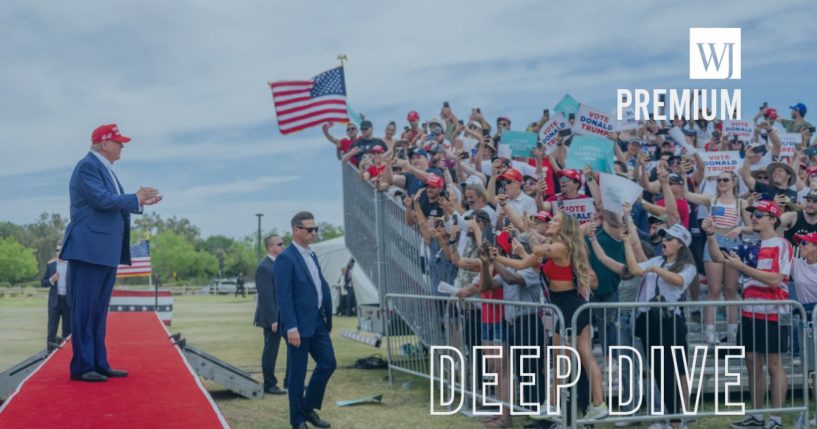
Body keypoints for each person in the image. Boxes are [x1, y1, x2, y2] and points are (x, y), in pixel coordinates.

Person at [60, 123, 162, 382]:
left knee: (98, 310)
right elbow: (102, 200)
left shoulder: (103, 169)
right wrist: (135, 198)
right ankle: (83, 367)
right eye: (118, 142)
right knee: (85, 311)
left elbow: (110, 202)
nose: (122, 146)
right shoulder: (87, 167)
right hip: (88, 249)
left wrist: (138, 201)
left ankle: (98, 362)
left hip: (102, 250)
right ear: (104, 144)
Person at [491, 213, 607, 423]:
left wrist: (529, 232)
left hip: (571, 306)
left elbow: (535, 249)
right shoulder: (555, 245)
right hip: (565, 306)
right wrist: (495, 257)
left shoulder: (561, 247)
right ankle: (593, 404)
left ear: (564, 228)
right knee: (573, 357)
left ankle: (563, 404)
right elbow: (521, 264)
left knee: (569, 359)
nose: (550, 223)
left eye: (555, 221)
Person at [704, 201, 791, 429]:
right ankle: (757, 415)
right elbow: (718, 258)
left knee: (774, 363)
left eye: (760, 214)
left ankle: (776, 418)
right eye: (752, 214)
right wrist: (711, 236)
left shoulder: (782, 244)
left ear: (773, 219)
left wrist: (742, 268)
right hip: (749, 311)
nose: (753, 217)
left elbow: (775, 279)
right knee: (752, 363)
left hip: (773, 310)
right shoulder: (749, 245)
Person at [623, 224, 695, 429]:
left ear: (681, 244)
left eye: (669, 239)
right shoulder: (657, 260)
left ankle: (677, 421)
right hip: (649, 320)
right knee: (658, 372)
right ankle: (669, 419)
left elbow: (679, 280)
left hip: (670, 321)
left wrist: (656, 269)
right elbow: (636, 269)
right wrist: (627, 243)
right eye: (664, 238)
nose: (664, 241)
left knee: (671, 370)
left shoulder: (688, 266)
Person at [274, 211, 336, 429]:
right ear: (296, 230)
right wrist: (291, 327)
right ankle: (297, 420)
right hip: (297, 326)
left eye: (315, 229)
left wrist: (327, 318)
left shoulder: (312, 255)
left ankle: (307, 408)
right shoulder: (285, 258)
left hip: (317, 322)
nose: (314, 233)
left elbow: (319, 285)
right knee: (297, 376)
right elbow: (284, 296)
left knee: (328, 363)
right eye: (309, 229)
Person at [684, 171, 751, 344]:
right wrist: (685, 176)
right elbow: (686, 194)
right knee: (713, 289)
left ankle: (733, 331)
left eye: (725, 180)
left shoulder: (741, 202)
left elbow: (751, 227)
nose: (721, 182)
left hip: (733, 242)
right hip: (713, 240)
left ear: (734, 182)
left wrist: (741, 229)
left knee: (730, 290)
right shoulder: (710, 199)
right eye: (719, 179)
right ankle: (709, 331)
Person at [254, 235, 286, 395]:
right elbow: (266, 296)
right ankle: (269, 384)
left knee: (294, 348)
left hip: (285, 315)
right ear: (270, 247)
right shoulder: (264, 267)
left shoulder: (279, 264)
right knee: (271, 350)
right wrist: (273, 319)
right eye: (280, 244)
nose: (283, 246)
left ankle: (290, 381)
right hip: (272, 318)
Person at [41, 241, 71, 352]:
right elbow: (43, 283)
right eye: (57, 250)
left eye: (61, 250)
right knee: (52, 330)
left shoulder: (72, 265)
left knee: (67, 331)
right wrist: (51, 280)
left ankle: (65, 354)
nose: (59, 252)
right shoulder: (51, 265)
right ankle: (49, 353)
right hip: (55, 301)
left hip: (68, 302)